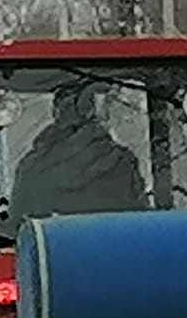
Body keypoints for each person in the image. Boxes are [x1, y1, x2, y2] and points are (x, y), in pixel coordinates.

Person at [9, 80, 148, 217]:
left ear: (58, 115)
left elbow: (16, 226)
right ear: (97, 115)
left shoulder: (32, 167)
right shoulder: (122, 162)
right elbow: (141, 222)